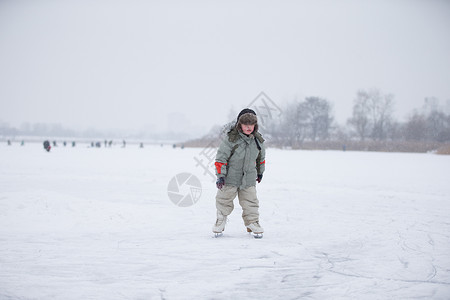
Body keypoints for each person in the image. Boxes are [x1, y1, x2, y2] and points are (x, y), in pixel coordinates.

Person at [212, 108, 266, 236]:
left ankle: (252, 222)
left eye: (251, 124)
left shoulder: (258, 140)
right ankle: (221, 220)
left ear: (255, 125)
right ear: (239, 124)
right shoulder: (231, 139)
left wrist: (260, 172)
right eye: (245, 124)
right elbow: (221, 158)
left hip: (249, 178)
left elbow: (261, 158)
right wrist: (220, 176)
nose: (248, 127)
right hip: (230, 178)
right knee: (224, 200)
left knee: (251, 202)